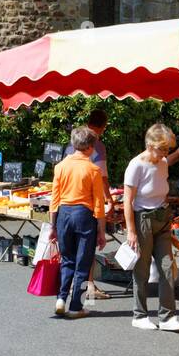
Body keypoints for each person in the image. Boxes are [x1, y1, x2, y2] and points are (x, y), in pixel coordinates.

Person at [123, 124, 179, 332]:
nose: (165, 153)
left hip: (162, 217)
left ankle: (167, 317)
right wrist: (131, 230)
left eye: (167, 149)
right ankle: (139, 315)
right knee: (141, 268)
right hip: (143, 219)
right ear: (150, 145)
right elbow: (127, 201)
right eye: (163, 149)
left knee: (167, 267)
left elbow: (161, 190)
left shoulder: (163, 163)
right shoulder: (136, 165)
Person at [50, 125, 107, 319]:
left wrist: (52, 226)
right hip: (84, 216)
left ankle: (61, 298)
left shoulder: (60, 167)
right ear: (91, 147)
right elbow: (99, 203)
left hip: (63, 214)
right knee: (83, 263)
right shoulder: (93, 169)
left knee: (67, 259)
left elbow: (54, 200)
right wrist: (101, 231)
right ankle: (76, 306)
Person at [70, 107, 115, 301]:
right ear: (103, 127)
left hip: (67, 203)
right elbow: (102, 176)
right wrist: (109, 199)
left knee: (74, 248)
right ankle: (88, 288)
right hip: (87, 203)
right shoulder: (96, 145)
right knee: (86, 247)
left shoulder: (73, 142)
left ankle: (71, 290)